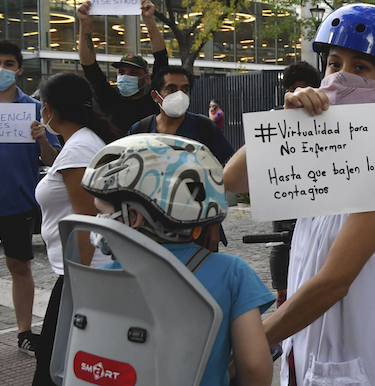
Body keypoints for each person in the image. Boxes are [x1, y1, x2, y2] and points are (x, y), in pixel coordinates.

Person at [223, 3, 375, 386]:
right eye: (334, 64)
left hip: (362, 360)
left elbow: (335, 279)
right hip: (307, 350)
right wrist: (286, 122)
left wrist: (250, 346)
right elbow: (233, 179)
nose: (341, 77)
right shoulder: (320, 135)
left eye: (361, 68)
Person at [82, 133, 274, 386]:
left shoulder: (102, 278)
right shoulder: (233, 274)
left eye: (101, 212)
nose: (97, 222)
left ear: (133, 216)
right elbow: (254, 366)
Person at [32, 73, 120, 386]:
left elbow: (85, 220)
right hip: (76, 271)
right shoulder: (80, 143)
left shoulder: (80, 147)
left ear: (49, 110)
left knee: (54, 358)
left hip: (80, 273)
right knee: (59, 354)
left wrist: (82, 283)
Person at [127, 65, 234, 251]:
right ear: (155, 96)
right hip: (150, 226)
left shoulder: (204, 128)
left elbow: (221, 175)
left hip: (197, 225)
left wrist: (214, 224)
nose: (180, 94)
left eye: (185, 89)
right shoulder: (140, 130)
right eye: (171, 89)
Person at [0, 40, 60, 354]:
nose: (2, 69)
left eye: (8, 64)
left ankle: (24, 332)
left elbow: (53, 159)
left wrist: (42, 140)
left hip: (18, 203)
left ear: (19, 69)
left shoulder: (34, 111)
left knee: (20, 266)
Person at [76, 0, 168, 135]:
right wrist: (85, 23)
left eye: (133, 72)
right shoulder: (110, 101)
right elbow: (89, 66)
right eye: (121, 72)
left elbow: (161, 58)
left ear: (147, 78)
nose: (126, 76)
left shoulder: (153, 101)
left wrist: (149, 20)